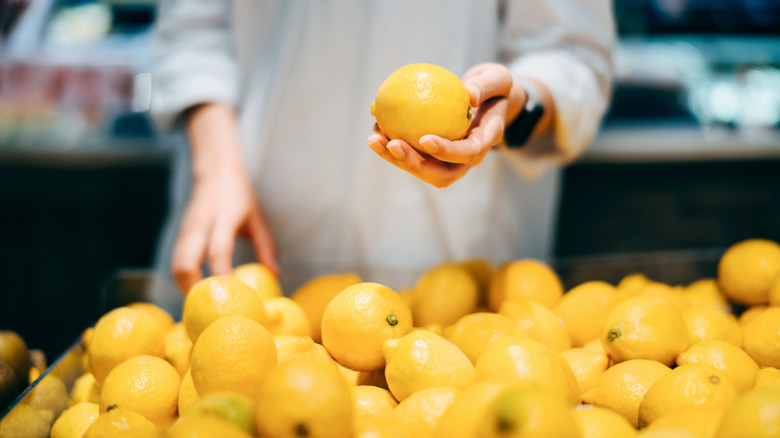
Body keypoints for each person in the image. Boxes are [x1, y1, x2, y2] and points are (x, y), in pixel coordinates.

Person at [150, 0, 614, 305]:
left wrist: (514, 108)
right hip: (255, 214)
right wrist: (217, 167)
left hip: (457, 254)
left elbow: (571, 52)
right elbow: (192, 27)